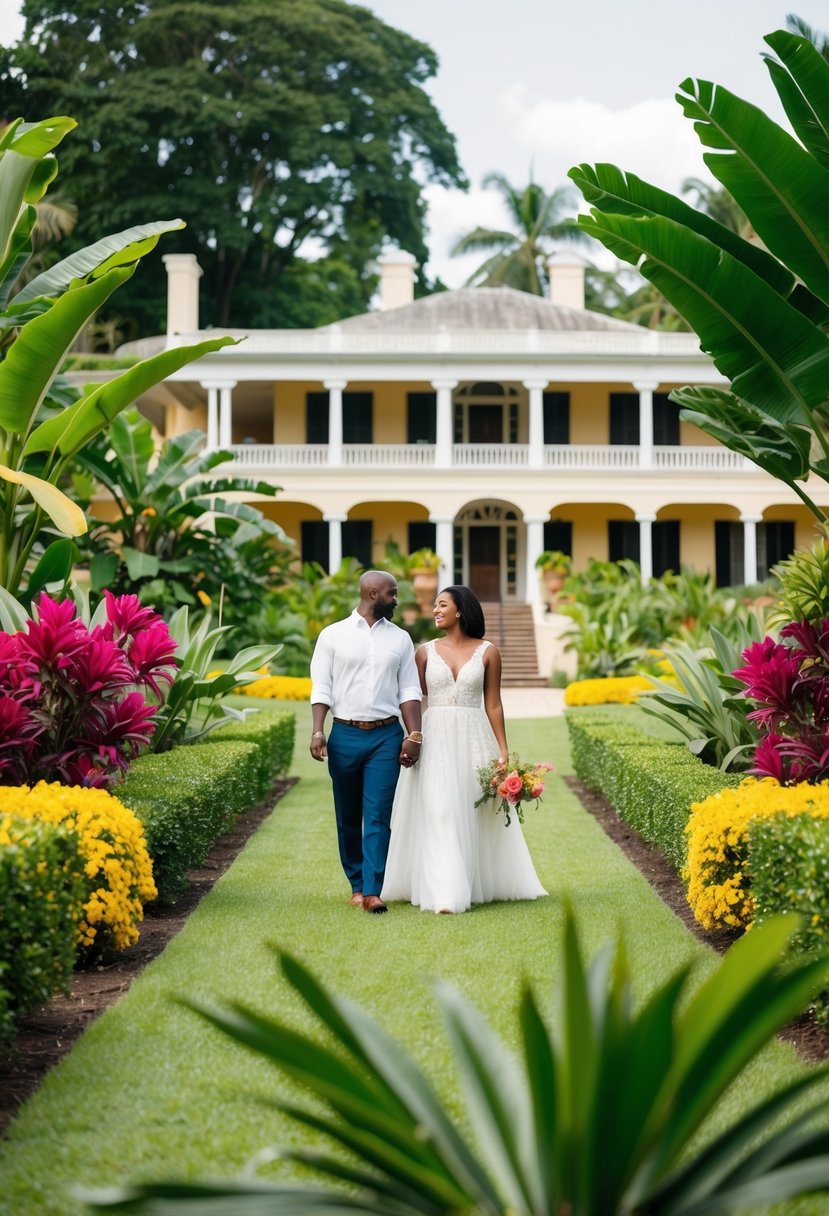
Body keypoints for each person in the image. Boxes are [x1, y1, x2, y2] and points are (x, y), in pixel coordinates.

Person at [381, 585, 547, 914]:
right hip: (435, 737)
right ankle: (445, 894)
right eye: (435, 605)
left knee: (471, 811)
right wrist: (412, 736)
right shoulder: (424, 652)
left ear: (460, 611)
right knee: (439, 809)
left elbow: (494, 704)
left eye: (442, 605)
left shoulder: (488, 652)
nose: (436, 610)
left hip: (474, 737)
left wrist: (503, 750)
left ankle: (472, 884)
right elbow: (414, 699)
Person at [309, 570, 423, 913]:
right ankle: (357, 884)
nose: (396, 599)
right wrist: (318, 730)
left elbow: (409, 690)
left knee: (377, 814)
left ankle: (373, 891)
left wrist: (414, 735)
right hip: (344, 733)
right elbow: (321, 687)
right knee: (348, 814)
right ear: (373, 594)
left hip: (386, 737)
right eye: (392, 593)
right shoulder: (332, 636)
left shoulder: (400, 639)